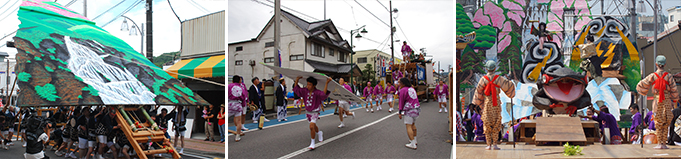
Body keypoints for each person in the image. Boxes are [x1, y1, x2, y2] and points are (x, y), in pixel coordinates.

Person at [636, 55, 679, 149]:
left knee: (658, 122)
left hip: (657, 100)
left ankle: (660, 143)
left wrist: (644, 92)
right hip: (667, 100)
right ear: (665, 64)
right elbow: (674, 90)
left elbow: (641, 85)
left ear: (656, 64)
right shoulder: (669, 76)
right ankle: (664, 143)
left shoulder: (653, 76)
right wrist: (674, 100)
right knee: (666, 122)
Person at [472, 60, 516, 150]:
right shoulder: (499, 79)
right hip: (496, 104)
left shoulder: (483, 79)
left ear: (486, 68)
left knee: (487, 123)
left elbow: (478, 91)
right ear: (495, 68)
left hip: (487, 104)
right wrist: (511, 82)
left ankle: (489, 144)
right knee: (496, 123)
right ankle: (495, 144)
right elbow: (508, 85)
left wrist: (479, 103)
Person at [293, 76, 331, 150]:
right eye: (307, 84)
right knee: (313, 126)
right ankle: (319, 132)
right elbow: (297, 90)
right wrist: (297, 80)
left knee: (311, 126)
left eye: (310, 84)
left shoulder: (317, 92)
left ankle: (312, 142)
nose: (308, 86)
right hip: (308, 112)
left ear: (314, 85)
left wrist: (326, 83)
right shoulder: (305, 91)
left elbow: (323, 94)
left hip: (315, 111)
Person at [397, 77, 420, 149]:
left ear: (403, 83)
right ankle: (415, 140)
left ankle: (413, 143)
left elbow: (401, 101)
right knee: (413, 124)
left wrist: (400, 111)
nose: (398, 84)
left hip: (409, 110)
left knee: (408, 126)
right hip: (416, 109)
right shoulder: (412, 89)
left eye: (399, 82)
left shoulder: (403, 90)